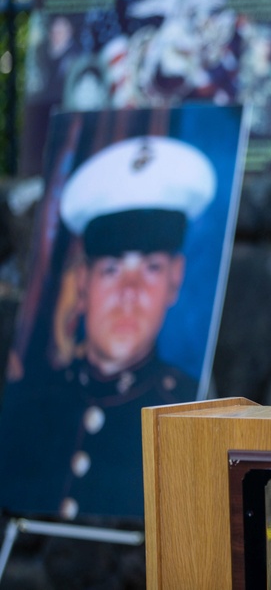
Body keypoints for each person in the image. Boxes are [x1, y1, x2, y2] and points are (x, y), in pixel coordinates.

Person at [0, 135, 216, 520]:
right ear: (82, 281)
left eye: (150, 268)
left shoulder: (190, 409)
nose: (129, 293)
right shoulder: (28, 401)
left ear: (175, 279)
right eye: (112, 269)